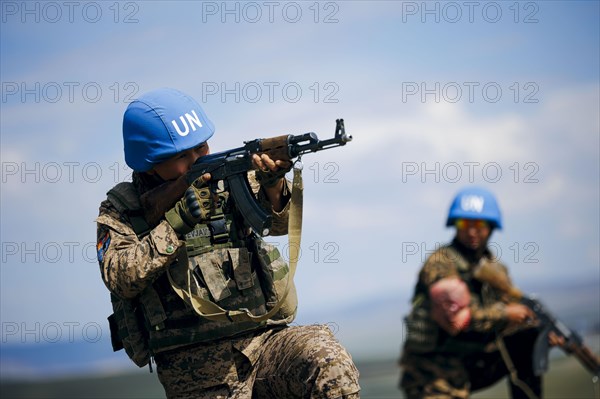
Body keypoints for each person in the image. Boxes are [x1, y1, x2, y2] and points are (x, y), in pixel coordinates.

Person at [96, 88, 360, 398]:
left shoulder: (227, 177)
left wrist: (273, 184)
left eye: (201, 148)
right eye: (183, 156)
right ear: (149, 163)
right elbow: (120, 278)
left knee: (327, 361)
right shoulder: (123, 209)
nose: (197, 159)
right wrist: (175, 224)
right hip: (196, 372)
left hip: (265, 343)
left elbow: (278, 226)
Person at [399, 186, 561, 399]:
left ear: (491, 227)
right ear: (455, 226)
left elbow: (511, 319)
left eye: (480, 225)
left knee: (529, 339)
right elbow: (458, 320)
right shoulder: (441, 263)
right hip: (433, 371)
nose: (472, 231)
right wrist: (505, 313)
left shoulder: (495, 270)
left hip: (471, 362)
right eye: (465, 224)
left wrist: (540, 334)